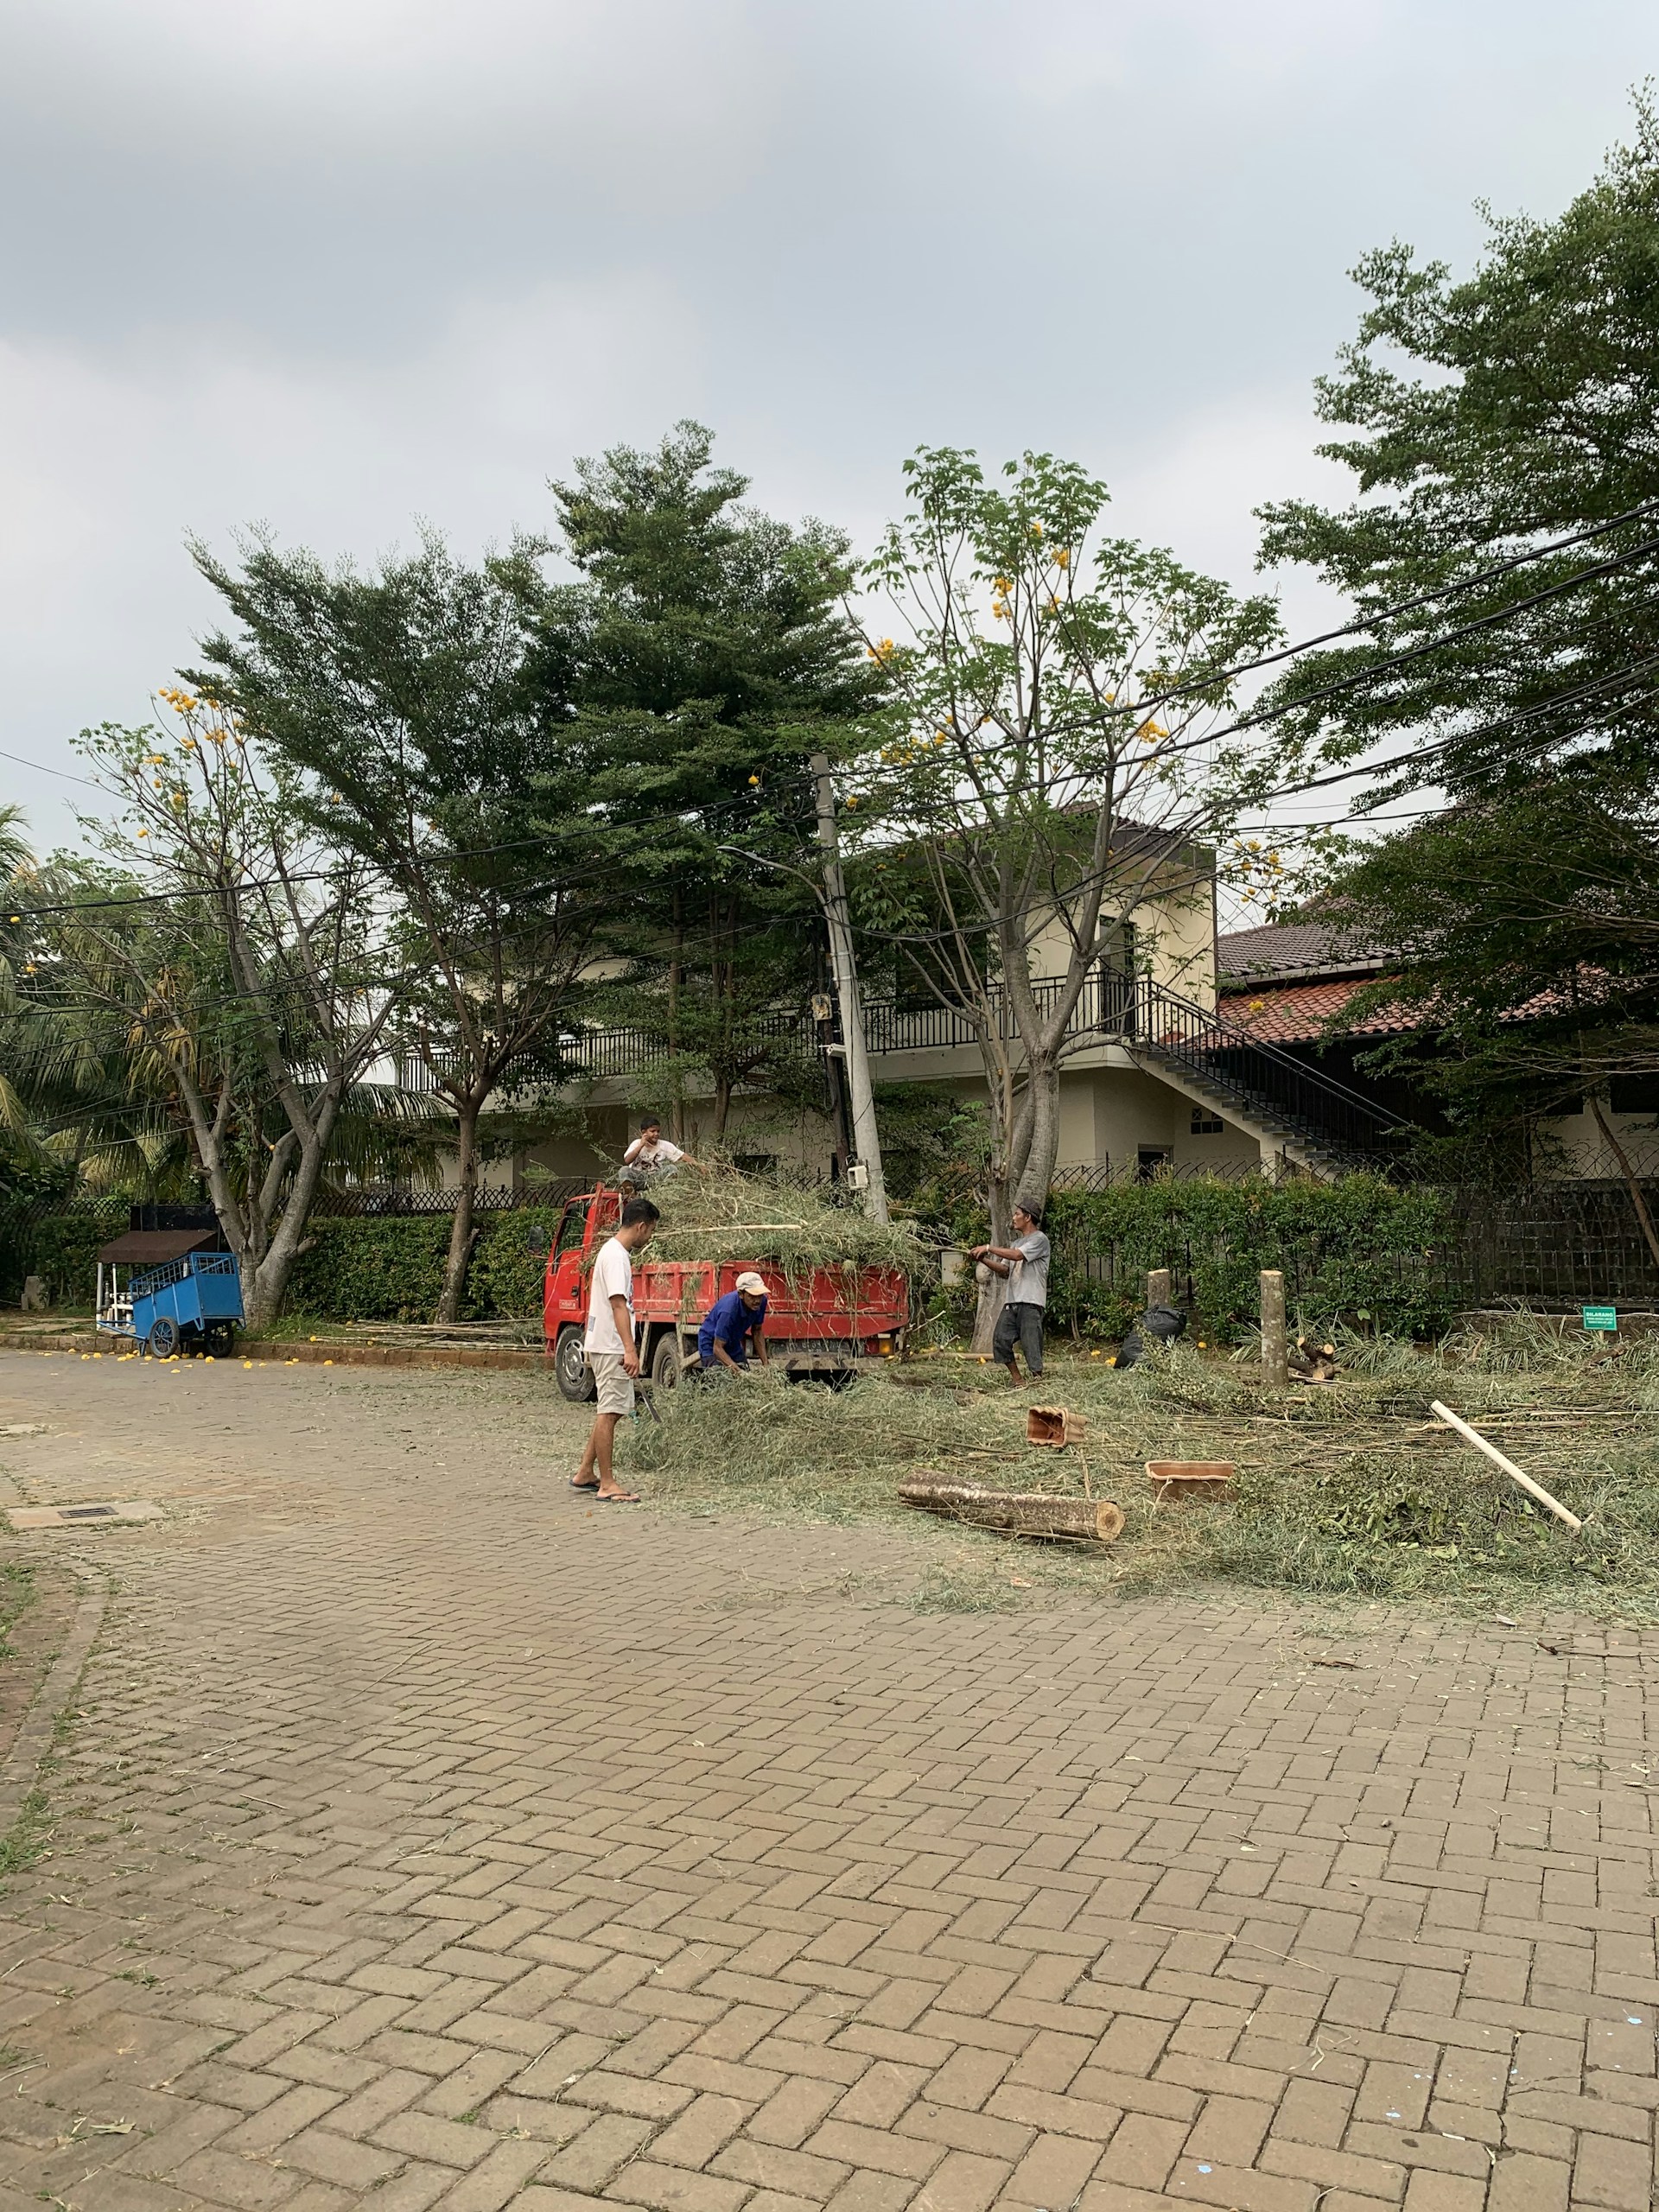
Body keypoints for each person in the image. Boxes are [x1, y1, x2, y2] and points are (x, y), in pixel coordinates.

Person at [573, 1194, 660, 1501]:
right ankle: (607, 1484)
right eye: (650, 1231)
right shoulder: (617, 1257)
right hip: (611, 1345)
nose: (649, 1238)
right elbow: (618, 1304)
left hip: (606, 1343)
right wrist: (630, 1349)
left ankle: (586, 1470)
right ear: (640, 1227)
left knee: (610, 1410)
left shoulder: (612, 1253)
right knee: (609, 1412)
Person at [972, 1201, 1051, 1384]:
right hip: (1012, 1302)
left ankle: (1038, 1380)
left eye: (1017, 1214)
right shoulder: (1016, 1243)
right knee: (1000, 1339)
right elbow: (1004, 1270)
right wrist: (983, 1259)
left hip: (1031, 1301)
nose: (1014, 1218)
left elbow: (1017, 1256)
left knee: (1031, 1344)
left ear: (1028, 1217)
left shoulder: (1040, 1239)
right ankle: (1018, 1379)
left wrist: (989, 1248)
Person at [697, 1271, 771, 1376]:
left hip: (733, 1342)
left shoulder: (762, 1302)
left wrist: (766, 1364)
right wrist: (739, 1372)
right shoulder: (729, 1311)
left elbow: (757, 1331)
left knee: (746, 1381)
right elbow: (717, 1348)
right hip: (711, 1342)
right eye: (752, 1296)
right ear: (741, 1294)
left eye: (760, 1295)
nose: (757, 1300)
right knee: (720, 1380)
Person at [618, 1114, 704, 1188]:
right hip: (639, 1178)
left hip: (657, 1179)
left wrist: (700, 1166)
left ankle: (665, 1192)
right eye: (652, 1131)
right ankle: (631, 1196)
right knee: (624, 1170)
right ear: (644, 1132)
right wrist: (641, 1145)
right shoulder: (636, 1143)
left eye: (658, 1131)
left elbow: (683, 1156)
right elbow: (627, 1160)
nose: (656, 1134)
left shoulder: (665, 1145)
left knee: (672, 1168)